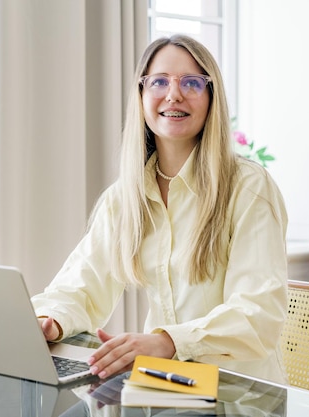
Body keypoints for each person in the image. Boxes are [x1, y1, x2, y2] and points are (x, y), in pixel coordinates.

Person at [32, 34, 289, 384]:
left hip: (240, 395)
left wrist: (167, 341)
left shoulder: (249, 188)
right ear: (141, 95)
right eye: (159, 82)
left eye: (192, 83)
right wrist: (50, 320)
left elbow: (257, 315)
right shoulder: (125, 198)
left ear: (212, 98)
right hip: (164, 390)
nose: (174, 94)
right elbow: (81, 285)